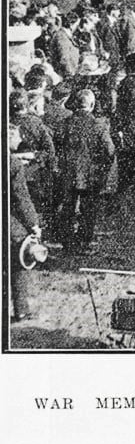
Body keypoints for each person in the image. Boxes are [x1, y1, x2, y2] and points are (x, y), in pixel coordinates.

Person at [53, 89, 116, 254]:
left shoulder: (64, 124)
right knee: (89, 209)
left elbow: (57, 145)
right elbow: (109, 150)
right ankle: (84, 242)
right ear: (92, 105)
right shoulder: (99, 125)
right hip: (91, 173)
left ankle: (67, 242)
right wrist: (103, 168)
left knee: (67, 207)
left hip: (68, 172)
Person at [9, 125, 42, 322]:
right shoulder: (13, 164)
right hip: (8, 223)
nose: (19, 142)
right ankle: (21, 310)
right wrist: (33, 225)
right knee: (19, 260)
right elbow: (22, 199)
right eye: (16, 138)